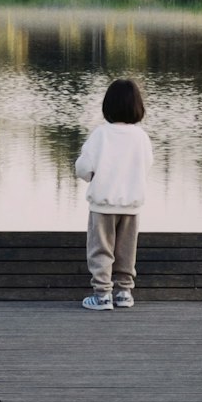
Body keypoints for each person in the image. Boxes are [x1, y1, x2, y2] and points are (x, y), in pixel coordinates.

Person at [74, 78, 153, 310]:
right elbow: (146, 165)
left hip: (103, 204)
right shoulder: (141, 137)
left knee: (101, 249)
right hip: (131, 204)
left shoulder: (101, 134)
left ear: (107, 106)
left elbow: (83, 167)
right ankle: (124, 292)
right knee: (126, 250)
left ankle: (102, 294)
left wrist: (91, 177)